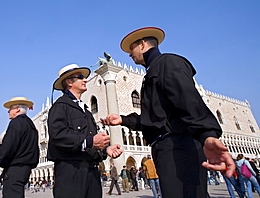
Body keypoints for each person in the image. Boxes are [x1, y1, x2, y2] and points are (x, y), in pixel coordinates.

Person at [102, 27, 235, 198]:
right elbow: (155, 120)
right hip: (167, 149)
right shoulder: (152, 71)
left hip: (179, 146)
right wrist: (122, 119)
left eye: (132, 48)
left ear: (143, 44)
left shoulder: (167, 63)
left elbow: (188, 99)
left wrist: (207, 135)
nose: (129, 54)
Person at [47, 64, 123, 198]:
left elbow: (90, 140)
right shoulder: (60, 106)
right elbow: (58, 136)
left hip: (91, 171)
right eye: (80, 77)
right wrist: (90, 141)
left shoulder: (86, 110)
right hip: (71, 171)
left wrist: (105, 150)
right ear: (69, 82)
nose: (86, 80)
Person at [0, 97, 39, 198]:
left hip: (15, 169)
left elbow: (7, 148)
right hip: (25, 169)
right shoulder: (30, 124)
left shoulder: (17, 122)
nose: (8, 111)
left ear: (18, 109)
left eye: (11, 108)